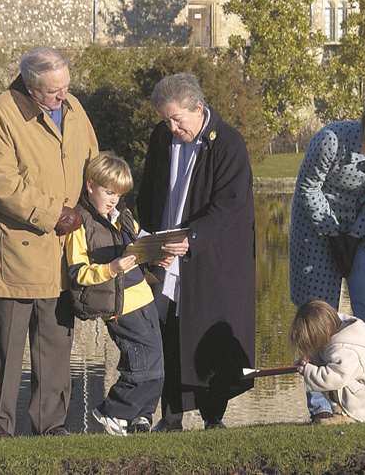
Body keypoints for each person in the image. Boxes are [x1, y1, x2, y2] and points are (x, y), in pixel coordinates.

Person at [0, 47, 97, 437]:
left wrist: (100, 201)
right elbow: (0, 183)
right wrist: (53, 213)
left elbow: (92, 160)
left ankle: (51, 424)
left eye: (65, 87)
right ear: (30, 85)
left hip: (63, 249)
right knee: (4, 346)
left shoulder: (74, 108)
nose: (62, 97)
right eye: (52, 92)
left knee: (56, 343)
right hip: (15, 250)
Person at [136, 72, 256, 431]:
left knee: (208, 336)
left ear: (198, 108)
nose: (172, 127)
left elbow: (231, 206)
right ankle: (169, 417)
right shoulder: (162, 138)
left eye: (177, 119)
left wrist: (194, 238)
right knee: (165, 333)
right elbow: (150, 192)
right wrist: (150, 239)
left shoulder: (228, 143)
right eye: (166, 119)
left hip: (211, 258)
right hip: (164, 256)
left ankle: (212, 417)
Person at [288, 97, 365, 421]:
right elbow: (307, 187)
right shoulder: (331, 141)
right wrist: (332, 232)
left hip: (362, 228)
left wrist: (356, 233)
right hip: (316, 228)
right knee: (317, 312)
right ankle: (320, 406)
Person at [65, 153, 178, 436]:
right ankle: (111, 411)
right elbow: (78, 273)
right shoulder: (80, 224)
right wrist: (111, 268)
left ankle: (141, 416)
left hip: (144, 297)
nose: (114, 199)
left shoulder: (122, 217)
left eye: (120, 194)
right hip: (118, 304)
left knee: (156, 363)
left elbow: (141, 240)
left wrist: (157, 255)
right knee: (140, 363)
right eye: (109, 192)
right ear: (90, 185)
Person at [289, 299, 365, 425]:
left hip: (364, 395)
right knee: (323, 373)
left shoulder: (343, 349)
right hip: (364, 390)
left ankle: (346, 416)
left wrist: (307, 370)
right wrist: (312, 360)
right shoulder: (341, 334)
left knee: (328, 379)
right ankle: (342, 413)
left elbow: (335, 376)